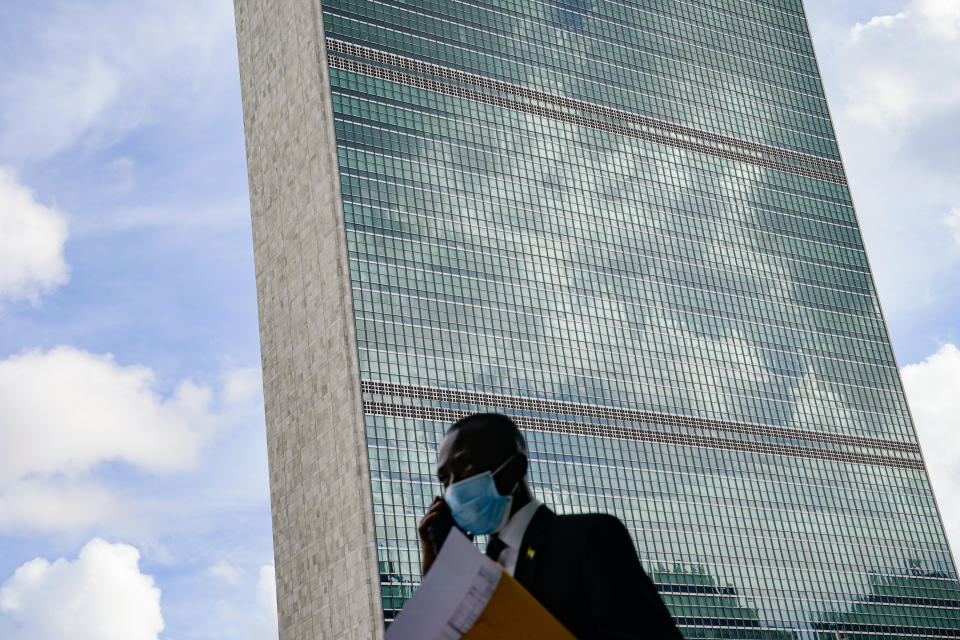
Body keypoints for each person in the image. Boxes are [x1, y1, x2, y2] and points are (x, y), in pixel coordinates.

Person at [418, 412, 682, 639]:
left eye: (467, 468)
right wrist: (440, 562)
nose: (453, 487)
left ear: (515, 468)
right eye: (445, 478)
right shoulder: (476, 570)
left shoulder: (589, 538)